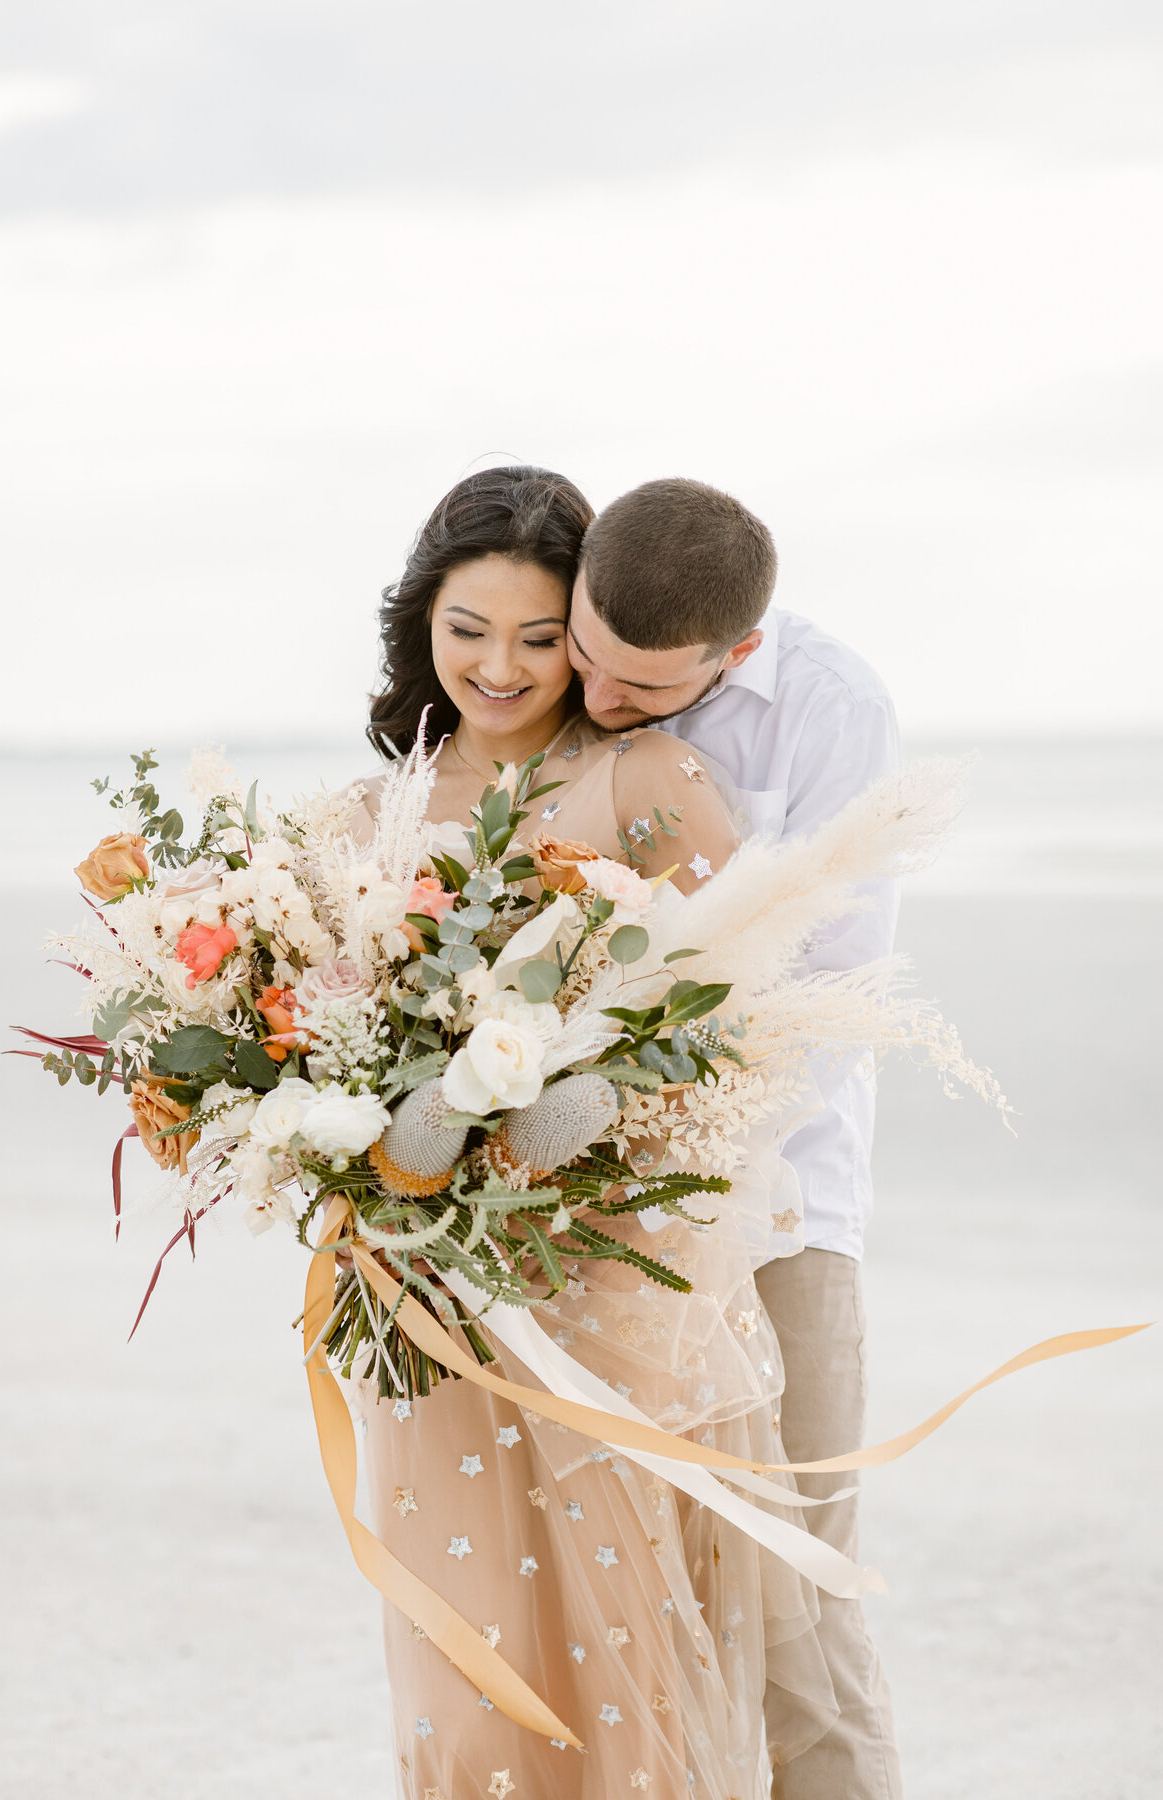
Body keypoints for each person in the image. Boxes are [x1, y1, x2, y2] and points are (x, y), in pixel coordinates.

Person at [352, 465, 846, 1799]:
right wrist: (349, 1142)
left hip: (611, 1292)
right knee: (465, 1665)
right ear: (423, 628)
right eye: (468, 632)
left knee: (625, 1655)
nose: (502, 669)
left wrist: (584, 1117)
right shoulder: (373, 811)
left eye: (534, 635)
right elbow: (319, 1028)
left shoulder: (648, 775)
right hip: (428, 1296)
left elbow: (734, 1038)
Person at [567, 477, 903, 1800]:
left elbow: (826, 994)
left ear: (735, 654)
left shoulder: (835, 714)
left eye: (641, 694)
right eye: (587, 658)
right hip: (585, 1223)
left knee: (798, 1611)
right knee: (636, 1616)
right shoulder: (564, 652)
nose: (595, 701)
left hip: (779, 1212)